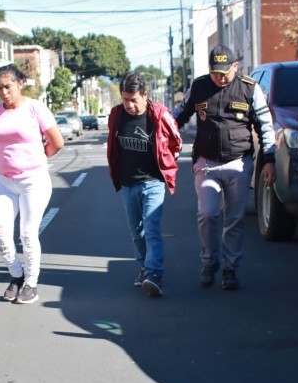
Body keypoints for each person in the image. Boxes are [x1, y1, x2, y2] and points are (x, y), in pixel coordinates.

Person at [173, 45, 276, 290]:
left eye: (225, 73)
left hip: (239, 163)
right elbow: (177, 116)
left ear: (236, 66)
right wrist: (164, 136)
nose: (220, 78)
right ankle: (209, 262)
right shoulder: (198, 87)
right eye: (215, 73)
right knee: (207, 213)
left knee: (235, 218)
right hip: (206, 164)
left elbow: (266, 127)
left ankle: (230, 268)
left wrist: (269, 161)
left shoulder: (250, 88)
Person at [0, 64, 64, 304]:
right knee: (1, 233)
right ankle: (16, 276)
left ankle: (31, 283)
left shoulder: (35, 108)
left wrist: (35, 158)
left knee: (27, 234)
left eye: (8, 86)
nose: (4, 92)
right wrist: (3, 160)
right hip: (4, 182)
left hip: (33, 181)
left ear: (20, 84)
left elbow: (56, 142)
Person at [106, 71, 182, 297]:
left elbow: (175, 142)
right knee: (136, 231)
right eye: (125, 99)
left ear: (145, 95)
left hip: (153, 182)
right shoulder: (116, 114)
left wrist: (167, 164)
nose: (129, 105)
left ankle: (154, 274)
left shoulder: (158, 114)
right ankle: (143, 266)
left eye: (134, 100)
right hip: (128, 183)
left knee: (151, 228)